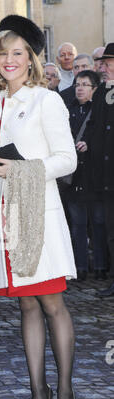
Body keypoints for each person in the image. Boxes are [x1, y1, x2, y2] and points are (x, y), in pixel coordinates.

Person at [0, 15, 77, 399]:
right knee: (25, 303)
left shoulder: (46, 100)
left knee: (52, 302)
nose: (9, 60)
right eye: (3, 53)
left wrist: (22, 171)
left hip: (38, 211)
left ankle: (67, 392)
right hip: (6, 214)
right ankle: (37, 392)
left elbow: (67, 160)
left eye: (17, 53)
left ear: (30, 59)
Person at [65, 70, 107, 281]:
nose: (79, 88)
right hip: (74, 178)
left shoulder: (100, 109)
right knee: (78, 225)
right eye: (77, 84)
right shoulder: (67, 109)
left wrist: (89, 144)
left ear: (94, 89)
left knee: (98, 223)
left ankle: (100, 266)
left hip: (94, 176)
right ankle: (80, 267)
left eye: (84, 85)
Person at [83, 43, 114, 297]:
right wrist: (88, 142)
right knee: (110, 231)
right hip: (105, 176)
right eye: (104, 63)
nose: (104, 67)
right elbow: (95, 125)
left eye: (109, 62)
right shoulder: (103, 90)